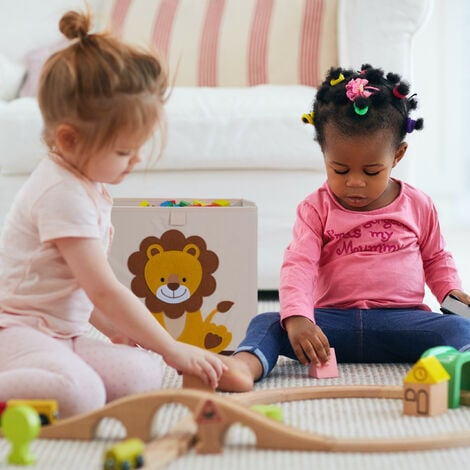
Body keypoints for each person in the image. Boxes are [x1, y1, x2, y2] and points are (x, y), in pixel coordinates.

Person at [0, 10, 250, 418]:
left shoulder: (86, 184)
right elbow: (103, 289)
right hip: (20, 334)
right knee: (80, 395)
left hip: (63, 335)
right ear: (69, 138)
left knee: (141, 375)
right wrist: (171, 347)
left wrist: (120, 331)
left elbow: (75, 288)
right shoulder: (61, 194)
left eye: (138, 148)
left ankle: (57, 372)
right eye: (122, 151)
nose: (134, 161)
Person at [217, 64, 470, 392]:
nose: (354, 182)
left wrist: (450, 293)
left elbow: (436, 258)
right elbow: (300, 265)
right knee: (267, 321)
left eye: (371, 170)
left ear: (398, 155)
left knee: (458, 328)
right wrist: (298, 318)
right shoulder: (315, 208)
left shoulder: (418, 204)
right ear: (324, 153)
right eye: (339, 169)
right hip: (330, 327)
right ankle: (244, 365)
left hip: (403, 323)